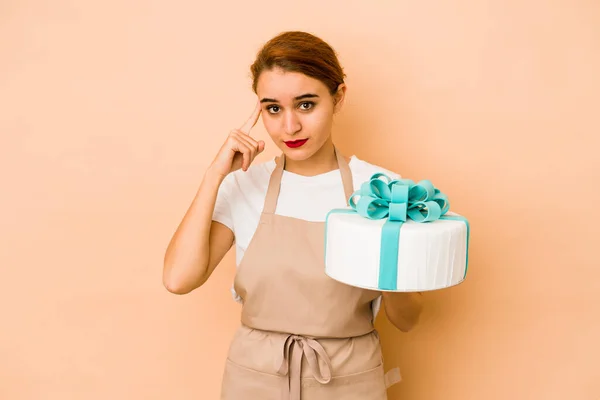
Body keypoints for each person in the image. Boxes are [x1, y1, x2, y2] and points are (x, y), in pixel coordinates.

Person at [163, 30, 424, 400]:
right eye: (273, 108)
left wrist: (381, 258)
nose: (290, 127)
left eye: (305, 105)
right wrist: (214, 175)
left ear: (338, 98)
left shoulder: (381, 190)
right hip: (254, 380)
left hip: (349, 380)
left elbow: (409, 319)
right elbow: (178, 279)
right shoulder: (244, 186)